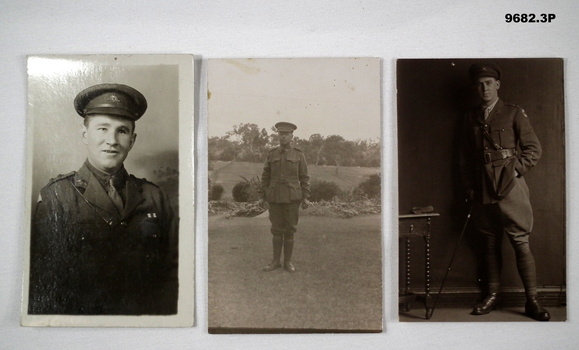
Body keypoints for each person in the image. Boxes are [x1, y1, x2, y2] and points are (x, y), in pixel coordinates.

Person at [28, 83, 178, 315]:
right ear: (85, 134)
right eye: (102, 129)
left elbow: (173, 273)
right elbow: (44, 283)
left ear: (132, 140)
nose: (112, 140)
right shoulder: (57, 196)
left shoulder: (154, 197)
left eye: (122, 131)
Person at [459, 63, 549, 321]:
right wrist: (469, 187)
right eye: (479, 83)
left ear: (497, 85)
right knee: (489, 242)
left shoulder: (513, 113)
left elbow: (533, 149)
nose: (484, 88)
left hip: (510, 187)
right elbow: (463, 158)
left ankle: (532, 300)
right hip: (482, 189)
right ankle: (492, 296)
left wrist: (515, 171)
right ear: (475, 87)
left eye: (488, 82)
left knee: (520, 242)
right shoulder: (469, 117)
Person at [259, 122, 311, 272]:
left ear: (291, 136)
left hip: (292, 198)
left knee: (290, 230)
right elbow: (265, 176)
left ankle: (288, 262)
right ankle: (275, 261)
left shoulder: (299, 154)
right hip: (275, 197)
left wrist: (306, 197)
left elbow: (304, 177)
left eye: (286, 134)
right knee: (276, 229)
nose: (283, 137)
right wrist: (262, 196)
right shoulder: (272, 154)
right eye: (280, 134)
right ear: (278, 135)